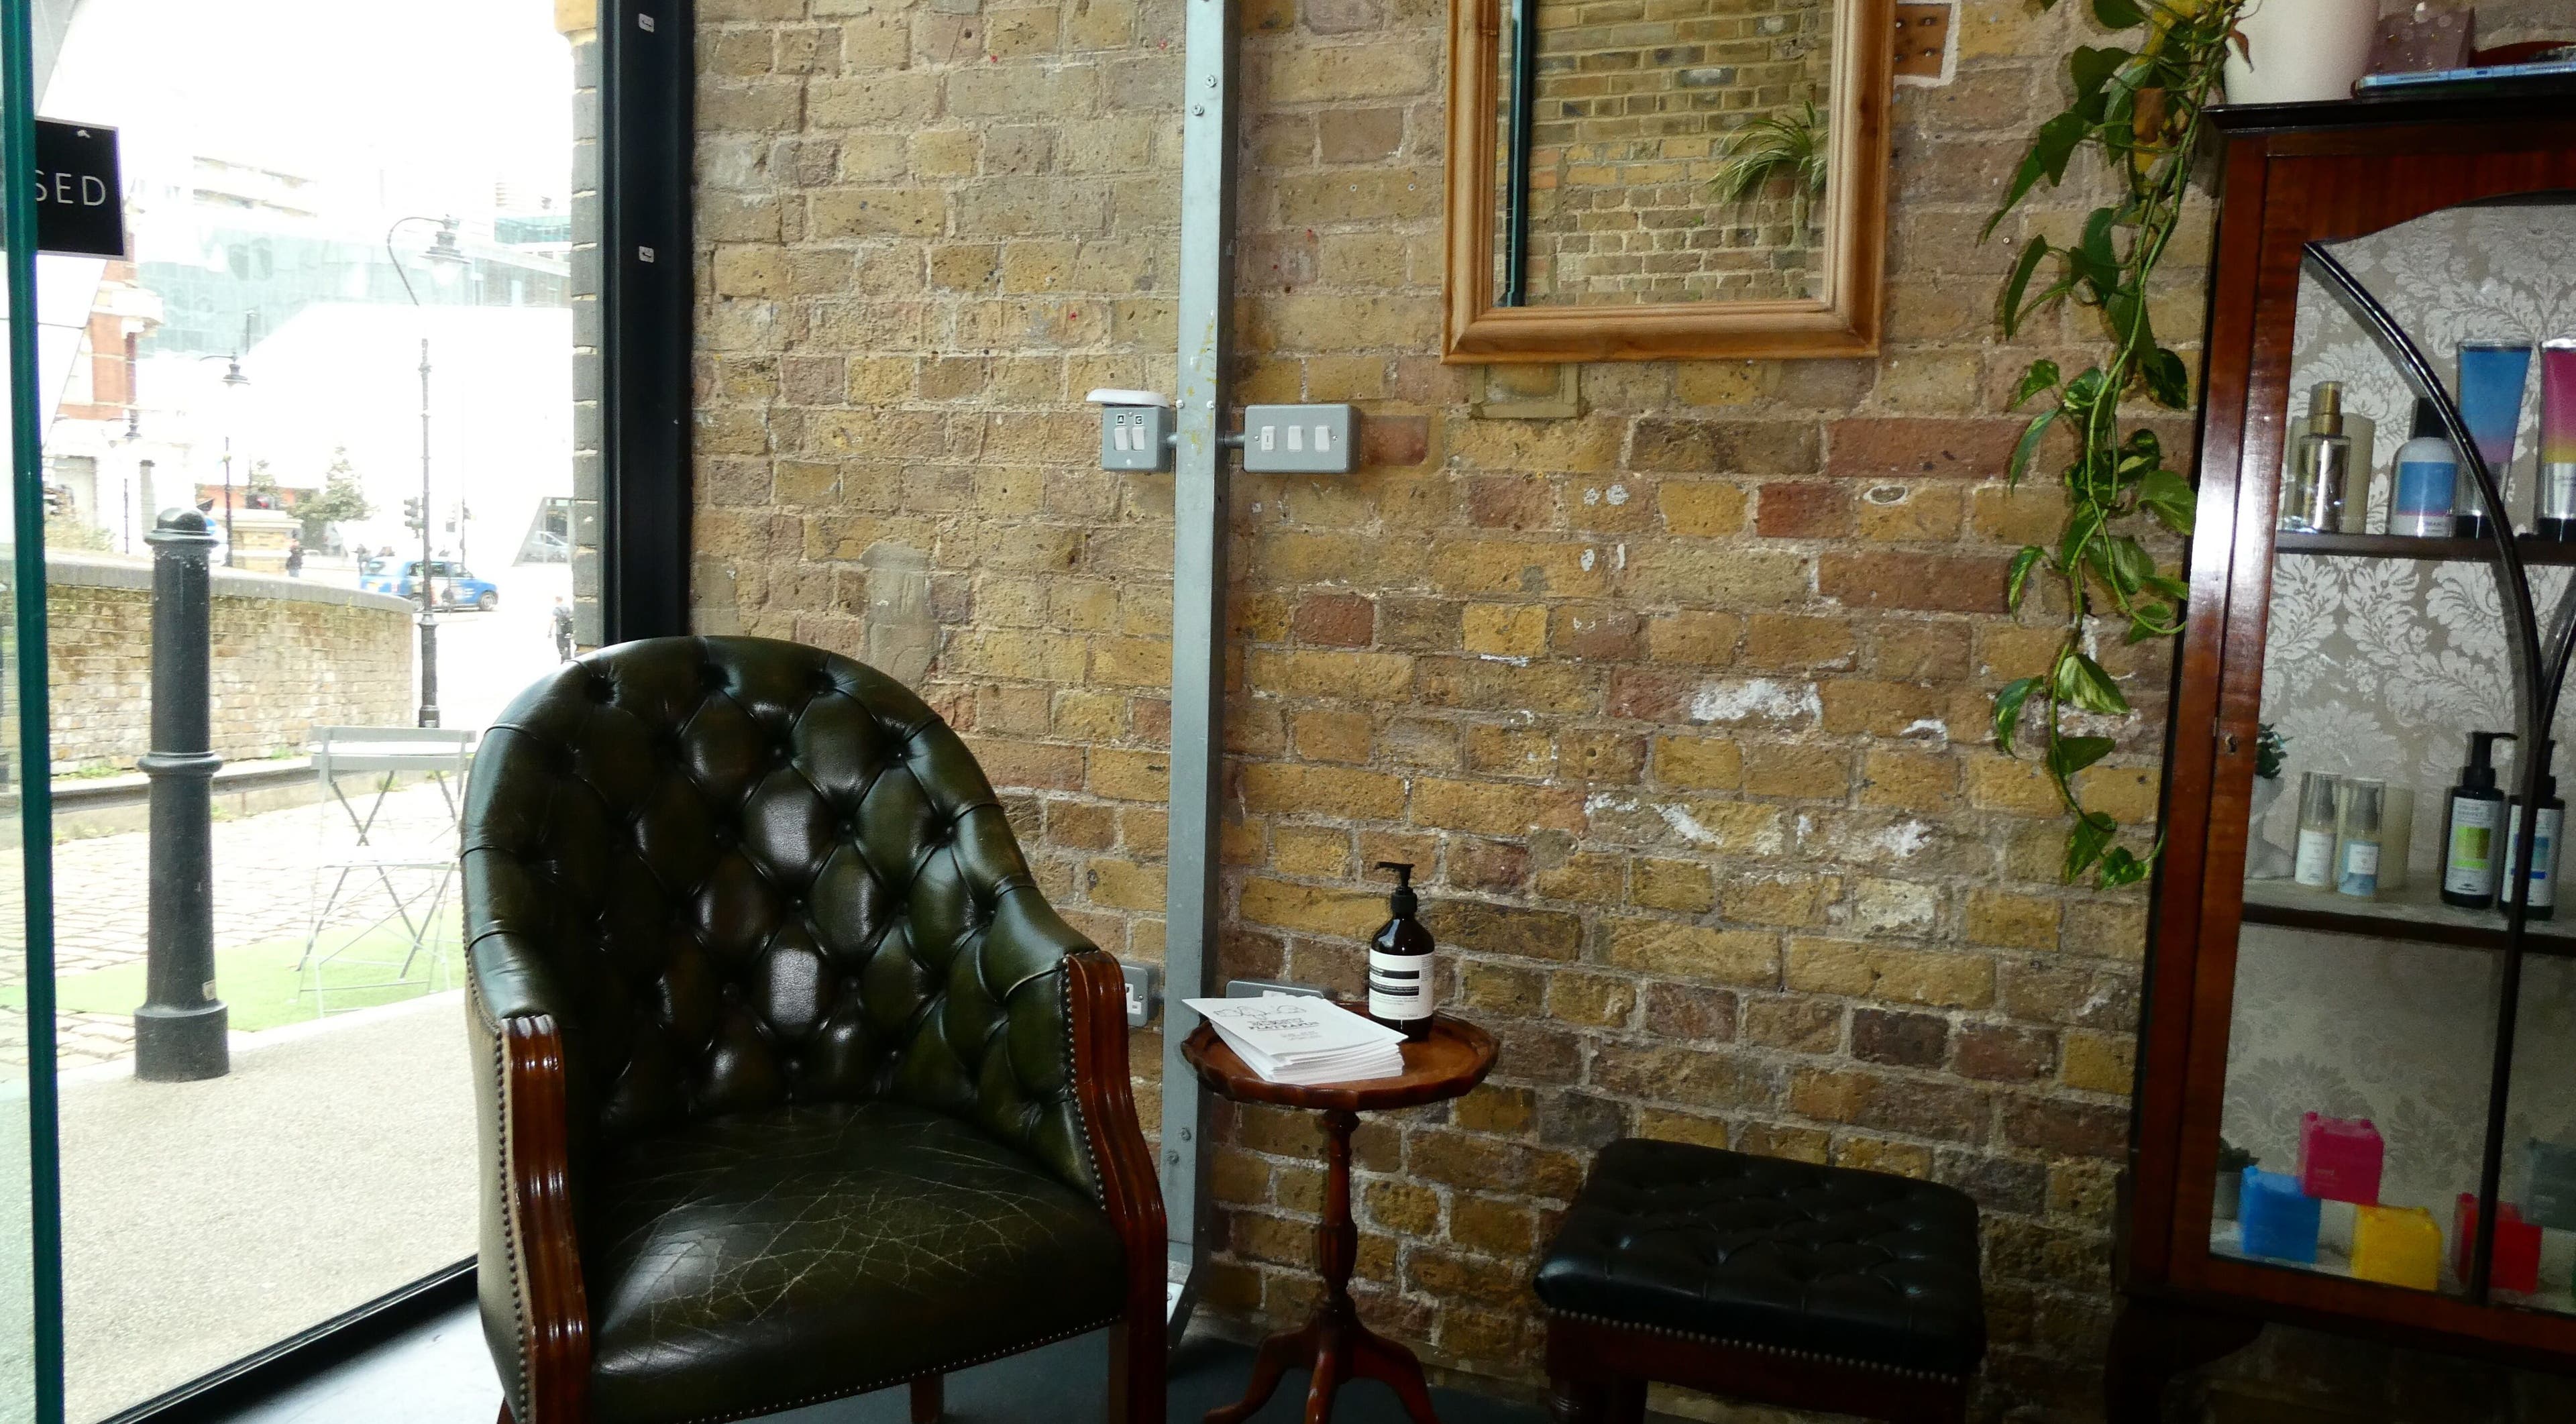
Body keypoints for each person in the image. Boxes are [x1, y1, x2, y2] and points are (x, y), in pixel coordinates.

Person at [551, 596, 574, 662]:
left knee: (560, 647)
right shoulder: (567, 608)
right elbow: (571, 618)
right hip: (567, 631)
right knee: (567, 645)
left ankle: (564, 658)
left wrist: (550, 631)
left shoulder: (556, 610)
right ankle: (568, 658)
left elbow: (553, 621)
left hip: (560, 632)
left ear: (556, 600)